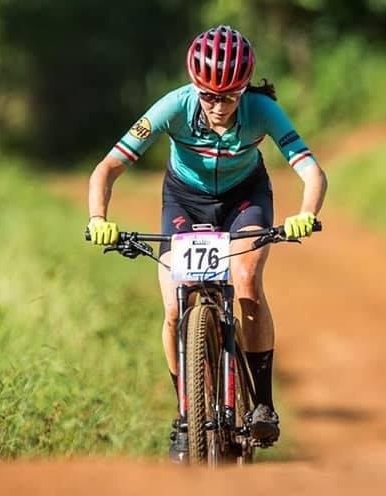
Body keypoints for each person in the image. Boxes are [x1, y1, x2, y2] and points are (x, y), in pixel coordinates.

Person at [86, 25, 327, 463]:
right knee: (175, 308)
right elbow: (106, 168)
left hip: (245, 199)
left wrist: (306, 214)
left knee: (247, 281)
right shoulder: (173, 106)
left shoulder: (263, 110)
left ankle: (262, 403)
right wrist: (98, 219)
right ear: (194, 87)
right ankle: (184, 414)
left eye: (229, 96)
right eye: (207, 96)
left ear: (244, 89)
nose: (217, 106)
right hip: (184, 200)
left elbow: (312, 171)